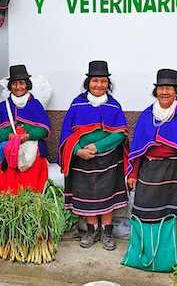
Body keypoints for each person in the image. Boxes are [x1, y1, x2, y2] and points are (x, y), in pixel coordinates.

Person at [58, 60, 128, 251]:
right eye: (95, 80)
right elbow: (66, 132)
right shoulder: (77, 104)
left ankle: (107, 232)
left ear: (108, 84)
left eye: (103, 81)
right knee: (86, 195)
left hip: (108, 158)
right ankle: (92, 230)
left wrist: (97, 147)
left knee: (108, 196)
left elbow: (120, 133)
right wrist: (78, 150)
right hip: (82, 159)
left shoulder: (114, 106)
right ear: (88, 82)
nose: (99, 85)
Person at [127, 69, 177, 231]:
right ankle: (146, 246)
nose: (165, 92)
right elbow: (138, 148)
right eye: (161, 88)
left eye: (169, 88)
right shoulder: (147, 115)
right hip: (149, 170)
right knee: (144, 209)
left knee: (173, 212)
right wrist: (133, 174)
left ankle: (169, 247)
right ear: (156, 92)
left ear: (176, 92)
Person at [0, 65, 50, 194]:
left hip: (32, 147)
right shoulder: (4, 106)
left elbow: (44, 129)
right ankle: (7, 198)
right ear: (10, 86)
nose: (18, 87)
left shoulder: (35, 105)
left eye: (22, 83)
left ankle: (30, 198)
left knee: (33, 165)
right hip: (9, 149)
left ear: (27, 85)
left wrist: (28, 135)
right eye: (14, 83)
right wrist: (8, 136)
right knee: (4, 160)